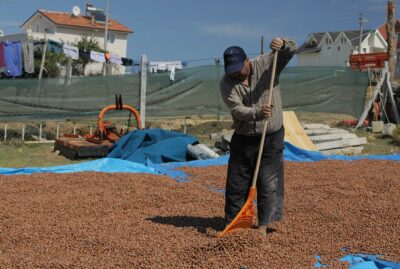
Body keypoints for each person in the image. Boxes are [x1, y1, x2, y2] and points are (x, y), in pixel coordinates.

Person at [220, 37, 296, 236]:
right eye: (231, 70)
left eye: (238, 68)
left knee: (268, 181)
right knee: (237, 182)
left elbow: (290, 52)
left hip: (271, 136)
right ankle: (235, 226)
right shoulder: (227, 83)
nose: (236, 73)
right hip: (244, 137)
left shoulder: (266, 63)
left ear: (247, 60)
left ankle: (264, 226)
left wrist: (283, 44)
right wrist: (257, 113)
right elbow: (237, 109)